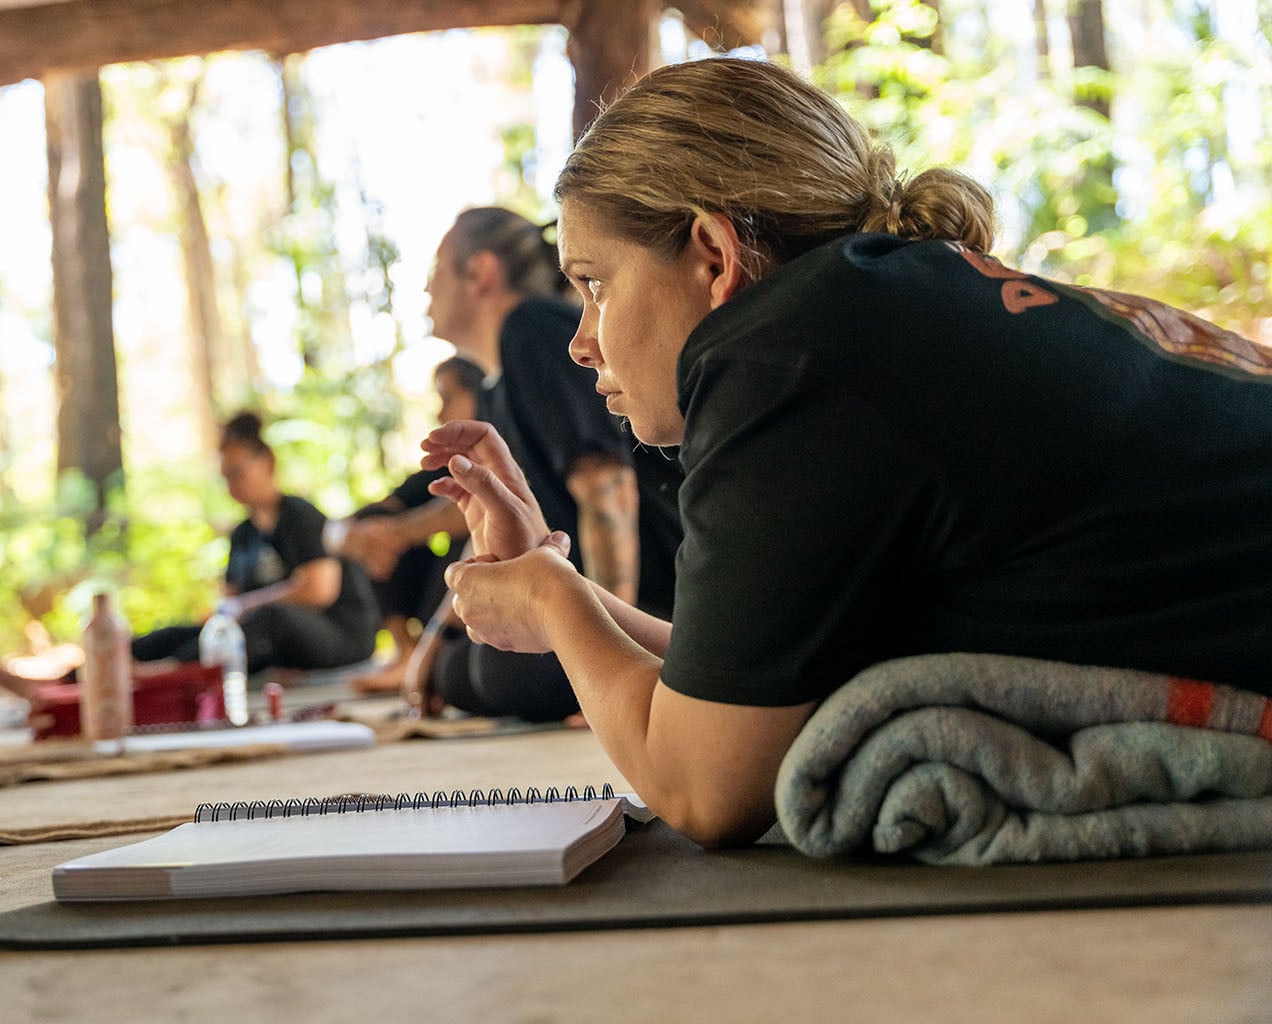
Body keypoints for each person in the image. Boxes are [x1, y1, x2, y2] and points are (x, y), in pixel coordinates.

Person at [420, 58, 1272, 848]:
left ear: (714, 256)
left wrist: (551, 602)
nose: (581, 341)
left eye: (596, 283)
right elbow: (742, 690)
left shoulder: (786, 353)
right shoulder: (874, 317)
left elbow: (702, 785)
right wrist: (558, 586)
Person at [370, 207, 684, 723]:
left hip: (653, 603)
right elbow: (490, 528)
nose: (425, 292)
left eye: (435, 272)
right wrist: (433, 640)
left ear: (481, 271)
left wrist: (620, 663)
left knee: (496, 674)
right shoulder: (495, 381)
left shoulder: (535, 330)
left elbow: (607, 485)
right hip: (576, 606)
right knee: (460, 670)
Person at [0, 411, 381, 694]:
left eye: (238, 472)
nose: (231, 484)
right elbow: (229, 602)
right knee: (176, 634)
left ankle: (159, 676)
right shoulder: (244, 534)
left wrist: (247, 606)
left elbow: (318, 590)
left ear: (266, 464)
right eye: (225, 475)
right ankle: (71, 680)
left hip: (337, 634)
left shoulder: (298, 515)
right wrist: (228, 612)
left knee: (268, 620)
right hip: (264, 629)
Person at [340, 355, 486, 694]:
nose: (439, 413)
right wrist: (359, 536)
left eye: (447, 399)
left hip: (479, 592)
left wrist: (397, 534)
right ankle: (405, 651)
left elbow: (473, 511)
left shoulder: (507, 450)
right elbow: (350, 524)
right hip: (435, 596)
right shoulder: (446, 465)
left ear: (478, 397)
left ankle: (427, 651)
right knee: (373, 522)